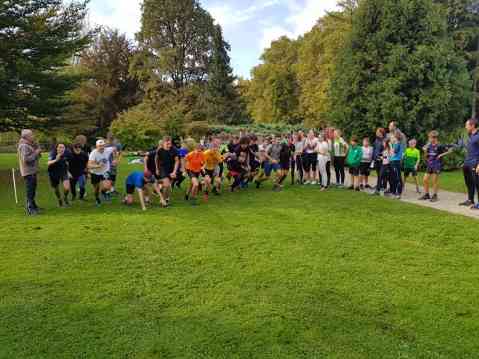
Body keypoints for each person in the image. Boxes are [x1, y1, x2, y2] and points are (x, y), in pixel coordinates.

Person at [419, 131, 453, 203]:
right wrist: (425, 151)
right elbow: (426, 156)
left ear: (434, 138)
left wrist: (441, 155)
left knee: (434, 180)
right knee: (425, 179)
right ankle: (427, 194)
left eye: (430, 138)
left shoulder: (440, 146)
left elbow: (450, 150)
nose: (429, 139)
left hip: (437, 165)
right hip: (430, 164)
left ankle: (435, 195)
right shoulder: (429, 146)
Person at [17, 129, 42, 215]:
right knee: (30, 191)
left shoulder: (29, 144)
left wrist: (37, 150)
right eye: (31, 135)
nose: (33, 136)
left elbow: (36, 156)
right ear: (26, 137)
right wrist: (36, 152)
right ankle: (30, 209)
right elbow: (26, 159)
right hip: (28, 172)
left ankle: (34, 206)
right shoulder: (24, 146)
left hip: (32, 171)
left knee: (33, 190)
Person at [460, 118, 479, 209]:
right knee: (469, 182)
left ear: (472, 125)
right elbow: (470, 150)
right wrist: (465, 162)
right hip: (467, 163)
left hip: (475, 163)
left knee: (477, 183)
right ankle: (470, 200)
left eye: (467, 125)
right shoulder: (470, 136)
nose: (465, 127)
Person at [156, 136, 180, 207]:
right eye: (167, 143)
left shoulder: (174, 150)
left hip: (172, 169)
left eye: (170, 143)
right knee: (166, 184)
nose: (169, 145)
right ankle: (162, 200)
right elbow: (156, 159)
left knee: (168, 186)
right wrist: (157, 168)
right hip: (163, 168)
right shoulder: (160, 150)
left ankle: (166, 198)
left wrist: (174, 172)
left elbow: (177, 161)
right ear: (163, 143)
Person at [88, 139, 113, 207]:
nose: (102, 147)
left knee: (107, 186)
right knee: (96, 189)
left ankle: (103, 192)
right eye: (100, 146)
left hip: (105, 171)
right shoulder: (93, 153)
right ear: (96, 146)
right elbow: (89, 165)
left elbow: (115, 149)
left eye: (103, 146)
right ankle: (97, 199)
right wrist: (98, 166)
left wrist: (116, 159)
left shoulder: (108, 150)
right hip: (95, 173)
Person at [389, 133, 405, 199]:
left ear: (396, 138)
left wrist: (390, 146)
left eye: (392, 138)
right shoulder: (396, 144)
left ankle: (398, 193)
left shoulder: (397, 144)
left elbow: (393, 152)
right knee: (394, 177)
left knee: (398, 177)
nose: (391, 139)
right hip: (393, 161)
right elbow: (391, 154)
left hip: (396, 162)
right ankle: (394, 192)